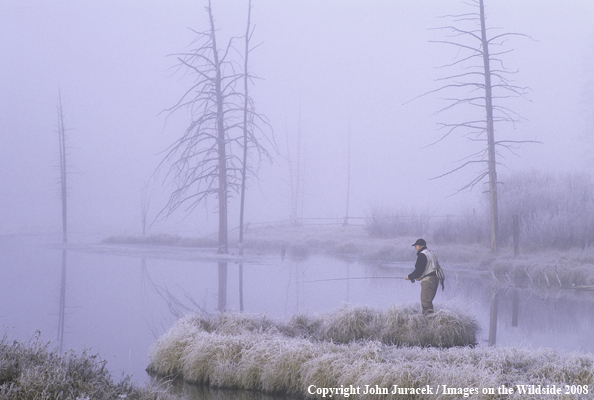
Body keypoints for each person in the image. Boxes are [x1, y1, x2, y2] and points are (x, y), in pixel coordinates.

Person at [405, 238, 440, 314]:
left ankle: (428, 321)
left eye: (416, 246)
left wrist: (410, 276)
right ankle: (429, 321)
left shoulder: (422, 255)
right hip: (435, 279)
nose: (415, 248)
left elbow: (418, 270)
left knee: (425, 303)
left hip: (428, 281)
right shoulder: (431, 253)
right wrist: (421, 277)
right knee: (428, 302)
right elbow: (430, 268)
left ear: (420, 246)